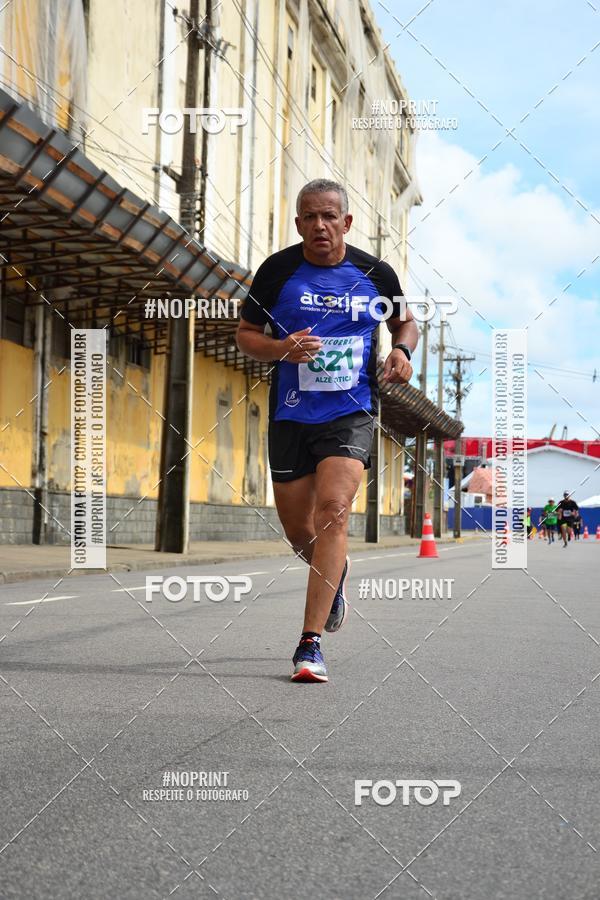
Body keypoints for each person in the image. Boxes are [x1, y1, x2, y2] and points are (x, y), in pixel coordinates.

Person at [236, 179, 418, 683]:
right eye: (310, 217)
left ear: (346, 222)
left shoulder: (374, 272)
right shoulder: (277, 272)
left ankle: (309, 646)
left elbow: (406, 323)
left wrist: (402, 351)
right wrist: (280, 349)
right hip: (291, 414)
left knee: (333, 514)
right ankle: (334, 578)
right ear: (298, 224)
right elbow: (246, 335)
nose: (320, 225)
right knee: (301, 535)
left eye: (329, 216)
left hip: (351, 411)